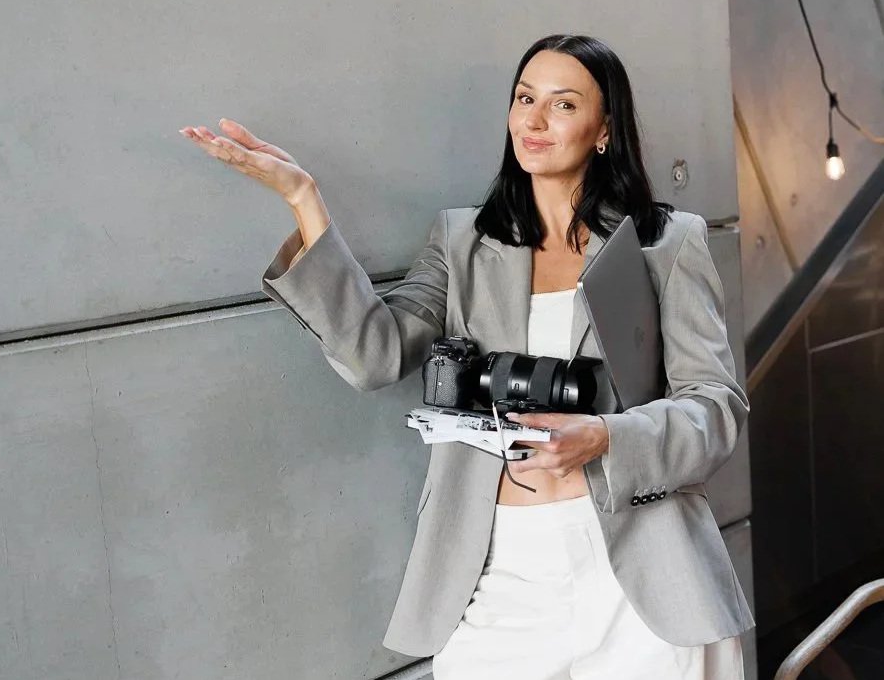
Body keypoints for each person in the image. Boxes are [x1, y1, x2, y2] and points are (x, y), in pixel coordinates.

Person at [179, 33, 754, 678]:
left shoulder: (665, 242)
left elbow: (716, 408)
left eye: (563, 105)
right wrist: (304, 200)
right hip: (498, 567)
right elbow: (375, 356)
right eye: (523, 99)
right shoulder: (463, 242)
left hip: (640, 575)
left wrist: (607, 437)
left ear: (603, 129)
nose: (534, 121)